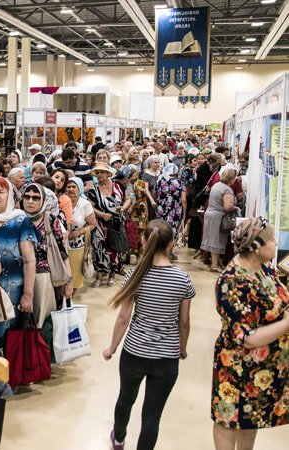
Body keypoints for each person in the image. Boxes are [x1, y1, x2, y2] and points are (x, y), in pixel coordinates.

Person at [103, 220, 194, 450]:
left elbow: (123, 317)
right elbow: (184, 321)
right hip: (166, 357)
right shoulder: (182, 279)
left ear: (144, 241)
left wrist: (112, 347)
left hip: (134, 352)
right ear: (172, 244)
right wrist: (182, 347)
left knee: (126, 398)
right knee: (152, 416)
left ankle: (119, 439)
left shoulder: (135, 274)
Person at [211, 218, 289, 450]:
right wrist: (286, 324)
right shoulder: (232, 281)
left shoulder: (264, 267)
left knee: (251, 418)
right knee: (228, 418)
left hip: (262, 368)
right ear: (256, 247)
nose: (276, 243)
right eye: (271, 240)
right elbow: (247, 338)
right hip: (237, 367)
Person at [0, 177, 36, 342]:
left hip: (12, 290)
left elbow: (29, 261)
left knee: (8, 338)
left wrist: (28, 294)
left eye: (1, 192)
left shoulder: (19, 221)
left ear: (10, 196)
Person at [22, 183, 70, 325]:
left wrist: (69, 281)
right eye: (27, 197)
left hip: (42, 279)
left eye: (36, 198)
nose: (30, 201)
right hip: (19, 277)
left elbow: (62, 252)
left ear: (43, 200)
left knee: (41, 322)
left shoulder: (50, 220)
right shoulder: (16, 219)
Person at [88, 162, 125, 287]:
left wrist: (122, 208)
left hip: (116, 223)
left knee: (114, 249)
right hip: (100, 224)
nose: (99, 175)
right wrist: (102, 214)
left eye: (102, 172)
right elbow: (90, 207)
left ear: (108, 173)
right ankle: (99, 277)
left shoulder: (117, 186)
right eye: (97, 173)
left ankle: (112, 275)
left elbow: (127, 199)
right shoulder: (93, 189)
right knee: (99, 249)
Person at [201, 167, 239, 272]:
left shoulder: (216, 185)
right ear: (232, 179)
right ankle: (215, 265)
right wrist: (236, 208)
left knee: (212, 240)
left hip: (210, 214)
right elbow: (227, 207)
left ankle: (216, 263)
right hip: (218, 217)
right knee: (217, 240)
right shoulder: (227, 190)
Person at [65, 177, 97, 292]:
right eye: (68, 187)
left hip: (77, 245)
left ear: (79, 189)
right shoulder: (61, 202)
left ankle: (71, 298)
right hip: (62, 245)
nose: (71, 189)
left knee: (75, 277)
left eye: (74, 187)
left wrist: (78, 232)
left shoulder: (85, 204)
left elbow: (93, 224)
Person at [154, 164, 187, 259]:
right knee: (172, 231)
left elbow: (154, 194)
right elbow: (183, 199)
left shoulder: (159, 181)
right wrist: (184, 212)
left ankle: (159, 252)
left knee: (160, 230)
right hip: (175, 210)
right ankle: (169, 253)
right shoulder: (180, 183)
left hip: (161, 209)